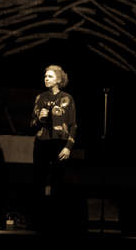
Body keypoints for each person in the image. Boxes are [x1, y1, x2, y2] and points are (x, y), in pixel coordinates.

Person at [30, 65, 77, 209]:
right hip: (41, 143)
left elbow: (73, 125)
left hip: (59, 143)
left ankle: (56, 215)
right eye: (45, 76)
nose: (46, 78)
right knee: (39, 179)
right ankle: (38, 215)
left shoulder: (67, 98)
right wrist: (39, 119)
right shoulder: (40, 98)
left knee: (58, 181)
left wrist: (68, 147)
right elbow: (32, 124)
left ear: (58, 80)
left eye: (50, 76)